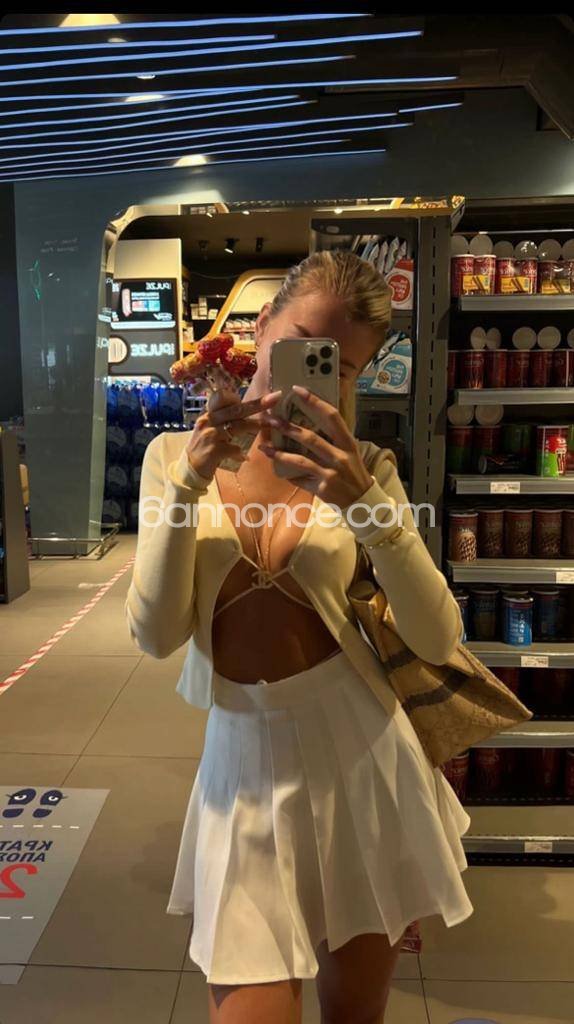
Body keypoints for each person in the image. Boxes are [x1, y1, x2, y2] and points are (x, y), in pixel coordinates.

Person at [125, 251, 473, 1024]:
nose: (311, 378)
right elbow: (155, 634)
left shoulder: (367, 467)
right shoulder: (170, 460)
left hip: (361, 762)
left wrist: (366, 505)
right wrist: (188, 483)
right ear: (260, 330)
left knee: (354, 1017)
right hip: (240, 770)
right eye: (299, 349)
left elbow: (437, 637)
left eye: (337, 368)